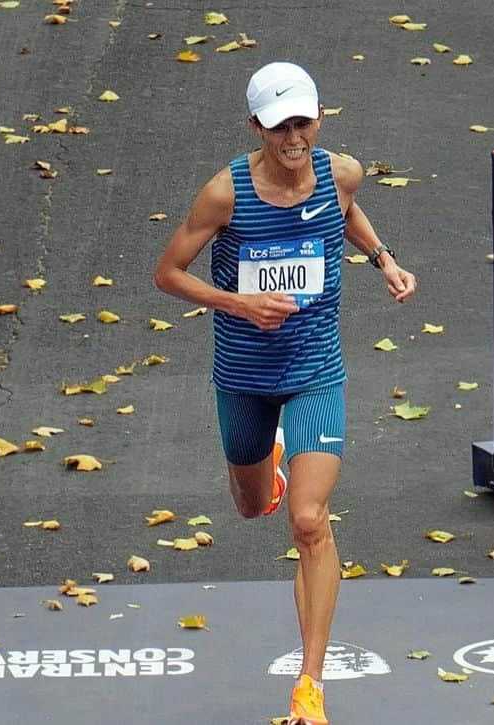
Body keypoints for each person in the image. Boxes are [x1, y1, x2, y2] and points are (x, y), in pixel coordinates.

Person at [153, 60, 416, 725]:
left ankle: (310, 687)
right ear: (256, 127)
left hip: (314, 372)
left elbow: (348, 213)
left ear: (318, 116)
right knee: (250, 507)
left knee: (307, 520)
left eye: (303, 121)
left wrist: (383, 259)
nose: (294, 137)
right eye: (279, 127)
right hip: (243, 376)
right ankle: (264, 462)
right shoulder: (225, 194)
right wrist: (236, 303)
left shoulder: (343, 172)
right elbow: (168, 273)